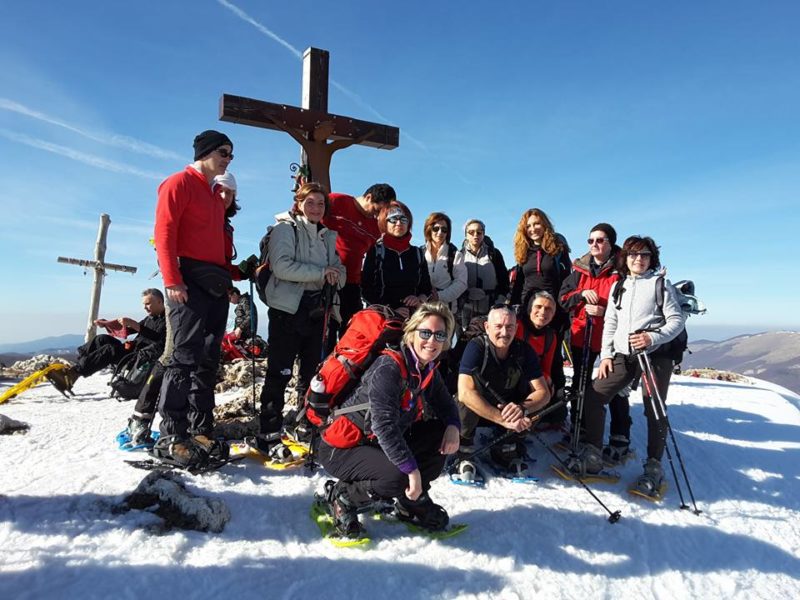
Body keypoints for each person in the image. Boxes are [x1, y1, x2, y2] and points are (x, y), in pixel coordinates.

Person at [316, 301, 461, 537]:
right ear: (411, 333)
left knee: (438, 434)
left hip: (375, 443)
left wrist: (453, 426)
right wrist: (412, 472)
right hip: (343, 448)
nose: (432, 341)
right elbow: (383, 427)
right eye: (425, 333)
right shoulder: (389, 367)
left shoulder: (425, 369)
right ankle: (343, 496)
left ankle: (410, 501)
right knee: (398, 476)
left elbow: (445, 404)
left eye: (439, 335)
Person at [565, 236, 686, 496]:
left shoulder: (660, 284)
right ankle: (594, 455)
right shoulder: (619, 285)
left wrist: (652, 337)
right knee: (594, 396)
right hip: (623, 354)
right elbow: (610, 322)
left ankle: (654, 467)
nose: (638, 259)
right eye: (633, 254)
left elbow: (677, 321)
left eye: (644, 255)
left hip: (655, 356)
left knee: (654, 409)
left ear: (652, 258)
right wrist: (606, 355)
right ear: (625, 257)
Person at [151, 129, 234, 468]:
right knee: (183, 357)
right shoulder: (178, 183)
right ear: (204, 152)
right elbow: (164, 232)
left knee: (208, 359)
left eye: (231, 153)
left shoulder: (215, 195)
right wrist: (172, 279)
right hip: (186, 280)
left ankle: (202, 430)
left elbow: (216, 246)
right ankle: (172, 433)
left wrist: (228, 282)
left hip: (214, 283)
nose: (228, 158)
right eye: (223, 152)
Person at [255, 182, 346, 452]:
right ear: (299, 203)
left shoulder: (327, 235)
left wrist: (332, 273)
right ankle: (269, 431)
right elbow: (282, 267)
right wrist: (322, 273)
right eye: (310, 202)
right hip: (287, 310)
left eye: (320, 203)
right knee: (279, 372)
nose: (316, 208)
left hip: (317, 310)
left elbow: (340, 272)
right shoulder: (285, 229)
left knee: (312, 373)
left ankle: (305, 423)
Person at [455, 304, 550, 473]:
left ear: (516, 327)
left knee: (536, 409)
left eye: (509, 327)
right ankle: (465, 446)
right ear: (487, 327)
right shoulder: (476, 347)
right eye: (498, 327)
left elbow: (543, 393)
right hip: (481, 409)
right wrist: (501, 418)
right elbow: (464, 392)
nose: (504, 333)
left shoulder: (524, 351)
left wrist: (522, 409)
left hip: (509, 407)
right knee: (466, 401)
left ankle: (507, 443)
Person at [559, 223, 625, 449]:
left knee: (614, 386)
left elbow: (629, 308)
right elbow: (563, 298)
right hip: (582, 334)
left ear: (611, 244)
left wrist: (605, 312)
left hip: (612, 337)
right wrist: (580, 295)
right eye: (591, 240)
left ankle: (620, 435)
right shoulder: (579, 269)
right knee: (580, 382)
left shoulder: (622, 271)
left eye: (600, 240)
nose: (594, 244)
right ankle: (580, 427)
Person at [509, 208, 572, 427]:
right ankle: (524, 408)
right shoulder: (523, 252)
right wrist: (511, 308)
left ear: (545, 224)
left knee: (553, 362)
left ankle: (555, 412)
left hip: (552, 312)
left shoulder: (557, 250)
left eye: (537, 224)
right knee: (523, 359)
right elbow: (519, 284)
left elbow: (567, 281)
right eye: (529, 226)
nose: (533, 228)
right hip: (527, 313)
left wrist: (563, 310)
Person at [48, 289, 166, 393]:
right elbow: (130, 330)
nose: (144, 307)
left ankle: (74, 373)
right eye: (144, 304)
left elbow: (158, 339)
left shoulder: (168, 321)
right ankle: (74, 371)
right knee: (101, 339)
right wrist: (107, 324)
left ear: (159, 302)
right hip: (131, 350)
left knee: (110, 350)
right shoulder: (150, 318)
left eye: (148, 304)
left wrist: (133, 323)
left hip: (141, 357)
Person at [322, 183, 395, 338]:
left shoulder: (376, 225)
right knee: (326, 332)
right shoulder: (337, 201)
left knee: (349, 331)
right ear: (368, 197)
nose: (376, 216)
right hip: (327, 279)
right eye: (376, 210)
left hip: (352, 283)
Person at [361, 200, 432, 318]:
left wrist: (419, 299)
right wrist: (390, 309)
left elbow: (426, 286)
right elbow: (366, 288)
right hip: (382, 317)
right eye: (393, 219)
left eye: (403, 219)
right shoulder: (376, 251)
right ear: (384, 222)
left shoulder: (417, 253)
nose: (398, 223)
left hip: (413, 318)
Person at [421, 212, 467, 315]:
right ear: (428, 229)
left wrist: (439, 296)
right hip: (423, 309)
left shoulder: (455, 254)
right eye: (436, 228)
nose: (440, 232)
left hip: (446, 310)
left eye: (444, 229)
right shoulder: (419, 253)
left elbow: (461, 283)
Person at [515, 291, 558, 385]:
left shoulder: (550, 337)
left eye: (548, 309)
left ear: (553, 315)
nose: (542, 312)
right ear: (530, 309)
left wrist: (546, 379)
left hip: (532, 377)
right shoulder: (517, 326)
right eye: (538, 307)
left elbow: (546, 368)